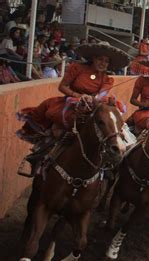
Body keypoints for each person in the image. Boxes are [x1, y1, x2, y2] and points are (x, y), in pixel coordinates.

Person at [16, 42, 130, 175]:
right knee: (58, 129)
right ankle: (40, 155)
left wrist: (93, 99)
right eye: (100, 59)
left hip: (94, 106)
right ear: (93, 58)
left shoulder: (107, 79)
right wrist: (79, 96)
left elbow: (102, 95)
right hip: (71, 103)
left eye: (106, 61)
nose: (102, 63)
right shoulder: (76, 68)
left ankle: (107, 165)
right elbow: (62, 86)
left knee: (110, 127)